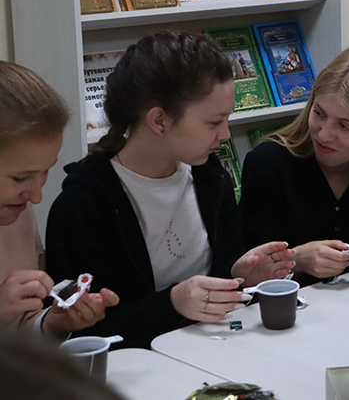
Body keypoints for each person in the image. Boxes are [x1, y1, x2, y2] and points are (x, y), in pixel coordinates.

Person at [45, 32, 295, 349]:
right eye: (214, 122)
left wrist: (240, 276)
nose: (225, 134)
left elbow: (216, 286)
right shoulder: (83, 205)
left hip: (216, 349)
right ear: (159, 120)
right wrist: (172, 303)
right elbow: (82, 335)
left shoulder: (210, 177)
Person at [239, 45, 349, 286]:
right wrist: (296, 260)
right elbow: (247, 278)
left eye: (344, 126)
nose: (323, 135)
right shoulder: (267, 164)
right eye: (319, 113)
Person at [0, 61, 118, 336]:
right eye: (20, 178)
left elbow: (14, 332)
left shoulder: (16, 210)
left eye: (45, 171)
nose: (37, 196)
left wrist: (50, 323)